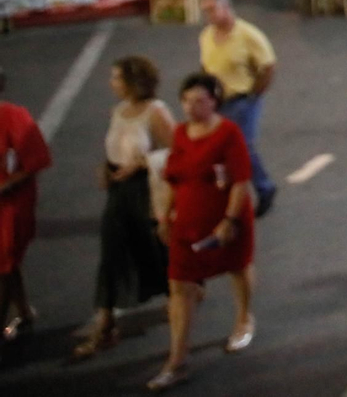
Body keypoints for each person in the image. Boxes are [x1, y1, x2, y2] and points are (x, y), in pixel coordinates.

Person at [148, 73, 256, 391]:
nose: (191, 107)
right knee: (179, 286)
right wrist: (165, 216)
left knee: (237, 268)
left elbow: (239, 180)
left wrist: (229, 221)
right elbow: (174, 179)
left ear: (214, 101)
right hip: (187, 223)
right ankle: (177, 359)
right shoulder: (180, 133)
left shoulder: (228, 133)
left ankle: (243, 318)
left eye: (200, 100)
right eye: (186, 100)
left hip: (225, 219)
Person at [72, 56, 173, 361]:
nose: (111, 83)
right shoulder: (118, 111)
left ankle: (181, 288)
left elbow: (176, 150)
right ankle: (105, 323)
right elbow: (115, 147)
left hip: (146, 189)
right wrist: (107, 167)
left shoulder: (156, 112)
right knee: (112, 251)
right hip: (119, 191)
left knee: (154, 247)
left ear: (135, 81)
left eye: (117, 78)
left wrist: (140, 164)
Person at [197, 0, 277, 217]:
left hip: (242, 100)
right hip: (218, 101)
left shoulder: (248, 35)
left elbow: (267, 66)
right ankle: (227, 196)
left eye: (212, 9)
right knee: (220, 150)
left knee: (243, 147)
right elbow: (206, 66)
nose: (208, 15)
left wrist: (254, 94)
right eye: (206, 11)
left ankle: (264, 187)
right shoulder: (206, 36)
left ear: (227, 8)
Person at [0, 65, 52, 350]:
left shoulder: (13, 116)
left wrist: (6, 186)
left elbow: (37, 160)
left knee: (4, 263)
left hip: (11, 203)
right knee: (6, 261)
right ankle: (23, 311)